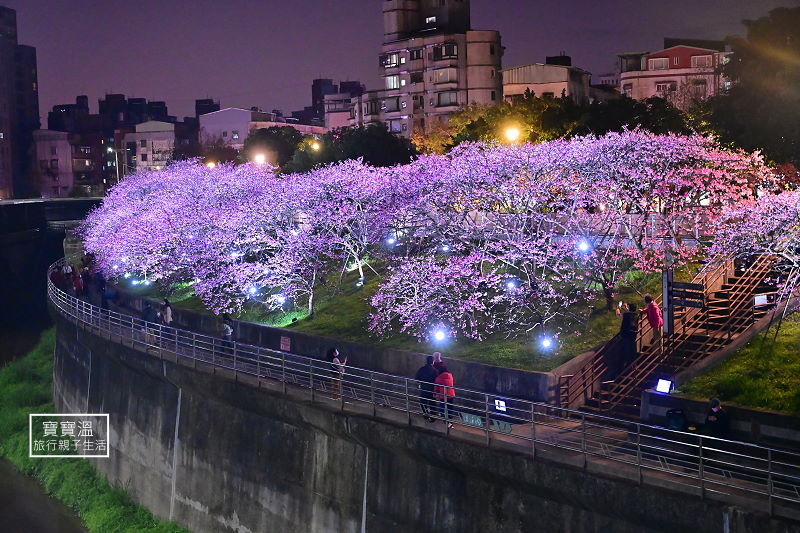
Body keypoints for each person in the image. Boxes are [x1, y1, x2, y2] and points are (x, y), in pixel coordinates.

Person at [614, 302, 639, 376]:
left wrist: (618, 308)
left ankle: (629, 367)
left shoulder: (626, 315)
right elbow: (630, 312)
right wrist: (625, 308)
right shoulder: (636, 315)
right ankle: (633, 365)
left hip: (626, 335)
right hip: (633, 335)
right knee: (632, 350)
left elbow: (618, 315)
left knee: (627, 351)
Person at [414, 355, 439, 422]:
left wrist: (421, 383)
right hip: (431, 390)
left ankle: (425, 415)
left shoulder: (422, 369)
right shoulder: (435, 371)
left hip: (423, 389)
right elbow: (437, 381)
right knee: (432, 404)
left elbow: (416, 378)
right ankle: (433, 418)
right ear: (433, 362)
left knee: (423, 403)